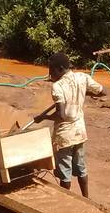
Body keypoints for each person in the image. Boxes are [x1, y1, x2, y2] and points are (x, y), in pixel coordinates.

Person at [34, 52, 105, 198]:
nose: (49, 74)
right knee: (81, 168)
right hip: (80, 132)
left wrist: (43, 117)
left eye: (51, 70)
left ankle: (66, 200)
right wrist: (83, 94)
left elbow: (60, 115)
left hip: (64, 136)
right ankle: (86, 198)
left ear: (59, 69)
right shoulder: (82, 77)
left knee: (65, 174)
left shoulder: (57, 86)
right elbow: (102, 92)